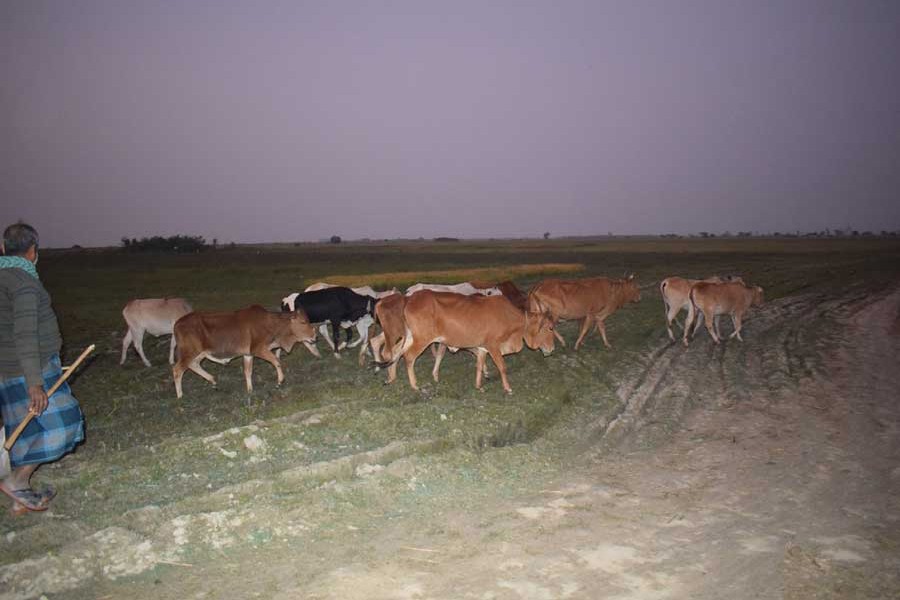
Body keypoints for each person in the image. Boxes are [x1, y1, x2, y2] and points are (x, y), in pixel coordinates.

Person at [0, 222, 84, 513]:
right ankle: (16, 480)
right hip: (32, 368)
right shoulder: (23, 282)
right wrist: (34, 382)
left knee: (25, 430)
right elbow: (25, 333)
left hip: (7, 370)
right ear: (33, 250)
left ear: (3, 248)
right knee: (65, 425)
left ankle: (20, 497)